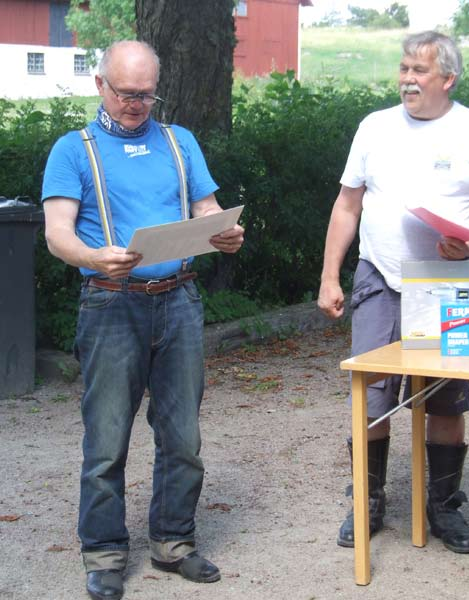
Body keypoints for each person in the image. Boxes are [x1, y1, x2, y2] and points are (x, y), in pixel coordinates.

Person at [42, 41, 244, 600]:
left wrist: (224, 233)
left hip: (179, 300)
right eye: (127, 92)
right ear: (100, 84)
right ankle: (104, 553)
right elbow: (57, 232)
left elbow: (206, 212)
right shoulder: (72, 150)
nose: (137, 104)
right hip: (110, 301)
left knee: (183, 434)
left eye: (147, 93)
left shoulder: (180, 142)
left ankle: (173, 542)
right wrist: (91, 255)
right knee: (107, 438)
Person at [318, 31, 469, 554]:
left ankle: (444, 507)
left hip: (452, 284)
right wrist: (328, 276)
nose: (407, 79)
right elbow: (346, 206)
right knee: (371, 396)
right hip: (379, 277)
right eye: (404, 68)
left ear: (447, 79)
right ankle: (368, 501)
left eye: (419, 71)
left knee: (448, 399)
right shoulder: (374, 127)